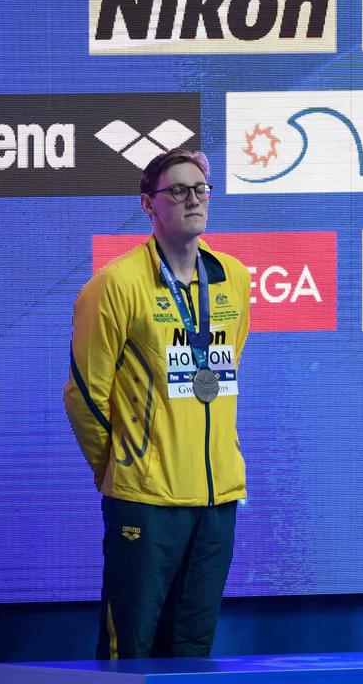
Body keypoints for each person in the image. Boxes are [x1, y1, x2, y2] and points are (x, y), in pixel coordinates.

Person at [65, 147, 251, 659]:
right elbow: (85, 395)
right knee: (132, 648)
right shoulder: (115, 285)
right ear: (148, 204)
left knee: (192, 650)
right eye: (178, 191)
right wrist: (121, 466)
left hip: (217, 501)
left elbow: (224, 371)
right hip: (145, 501)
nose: (193, 199)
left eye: (201, 189)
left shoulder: (234, 278)